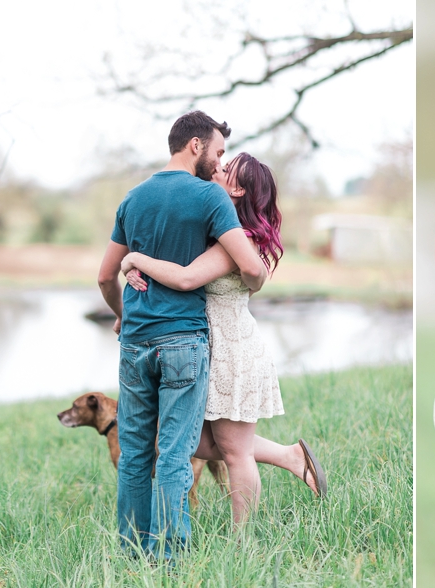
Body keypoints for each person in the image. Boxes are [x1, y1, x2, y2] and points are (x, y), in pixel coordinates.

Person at [120, 152, 326, 525]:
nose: (218, 167)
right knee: (196, 440)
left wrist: (134, 257)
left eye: (227, 169)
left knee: (234, 452)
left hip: (230, 347)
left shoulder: (240, 240)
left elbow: (185, 278)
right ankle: (289, 456)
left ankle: (241, 543)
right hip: (201, 341)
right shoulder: (222, 227)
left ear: (239, 188)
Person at [97, 110, 266, 558]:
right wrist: (256, 281)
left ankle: (132, 553)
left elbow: (103, 276)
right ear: (196, 146)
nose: (219, 160)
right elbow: (250, 266)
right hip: (183, 342)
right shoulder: (211, 198)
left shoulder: (132, 199)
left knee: (135, 454)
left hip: (135, 343)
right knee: (174, 454)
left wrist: (121, 314)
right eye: (219, 150)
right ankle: (170, 560)